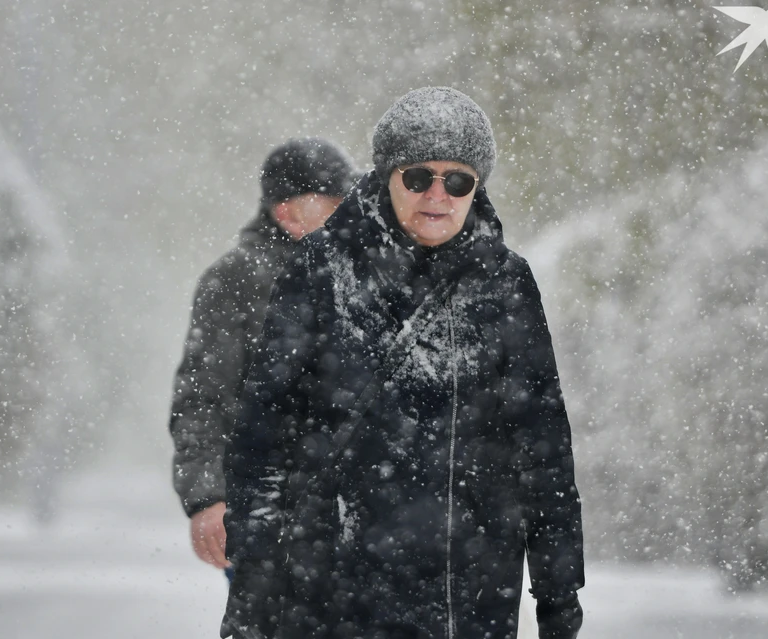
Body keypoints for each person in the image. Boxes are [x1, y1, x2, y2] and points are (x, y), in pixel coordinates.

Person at [224, 88, 584, 639]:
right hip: (332, 595)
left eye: (458, 180)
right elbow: (262, 437)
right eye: (419, 177)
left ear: (476, 188)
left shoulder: (506, 283)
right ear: (389, 176)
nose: (437, 194)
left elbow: (543, 450)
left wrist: (559, 595)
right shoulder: (322, 269)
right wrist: (251, 595)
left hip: (469, 598)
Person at [169, 138, 359, 575]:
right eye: (330, 203)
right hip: (266, 520)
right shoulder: (234, 281)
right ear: (287, 213)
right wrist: (207, 499)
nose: (346, 214)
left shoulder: (363, 274)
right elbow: (202, 397)